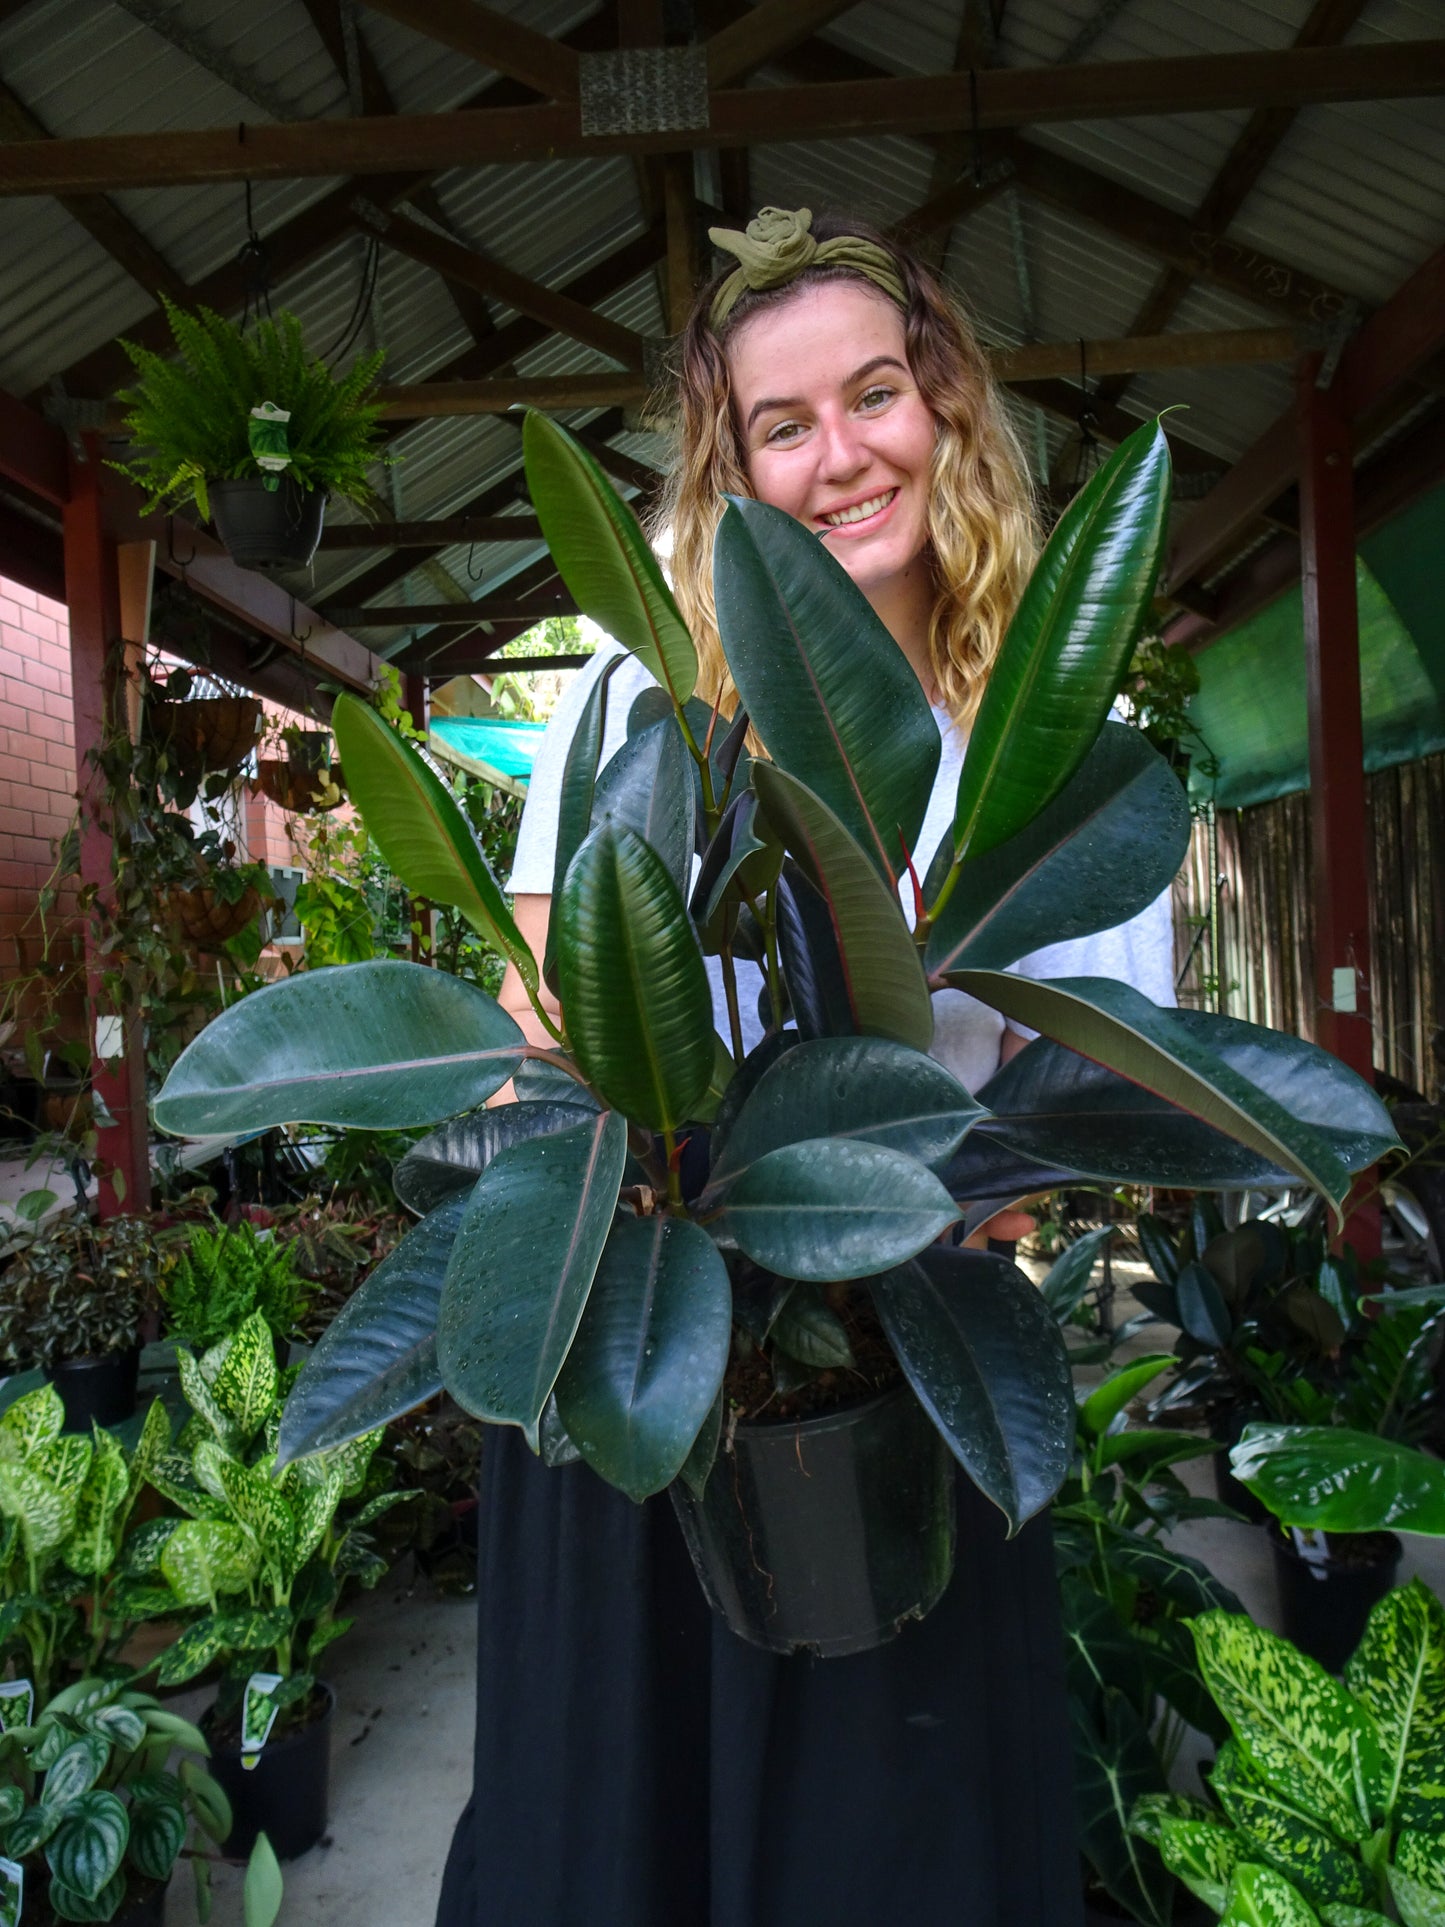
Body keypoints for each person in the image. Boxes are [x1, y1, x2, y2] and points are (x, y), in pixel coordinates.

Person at [435, 208, 1173, 1927]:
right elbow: (536, 1035)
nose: (842, 455)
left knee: (885, 1850)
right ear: (733, 465)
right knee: (621, 1844)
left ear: (946, 412)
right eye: (783, 424)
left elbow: (1072, 1105)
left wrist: (904, 1231)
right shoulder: (638, 693)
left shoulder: (1046, 741)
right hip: (644, 1367)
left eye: (876, 394)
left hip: (897, 1390)